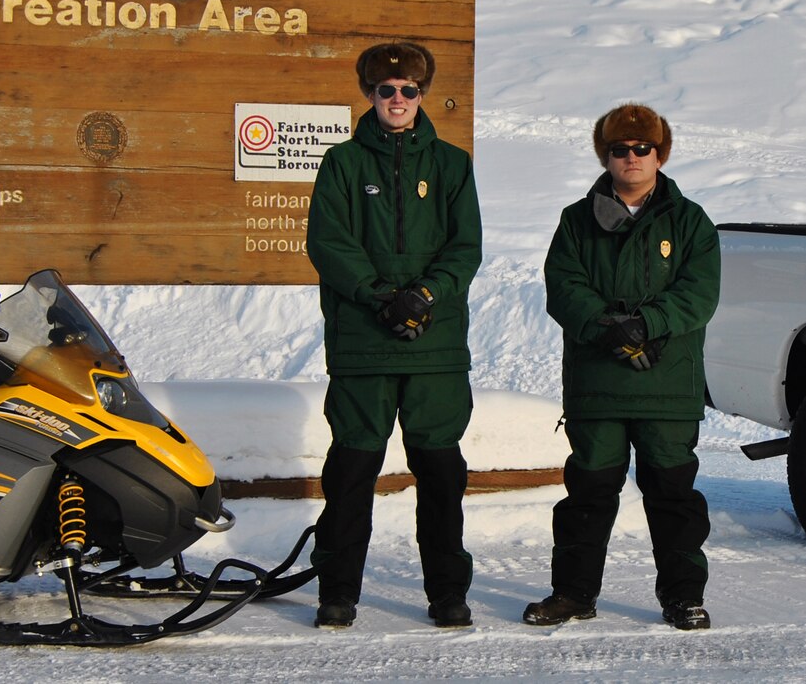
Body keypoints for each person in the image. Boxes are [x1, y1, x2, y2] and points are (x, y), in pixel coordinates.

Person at [523, 103, 721, 631]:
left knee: (674, 497)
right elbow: (563, 288)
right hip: (598, 385)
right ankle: (573, 594)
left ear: (660, 154)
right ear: (605, 156)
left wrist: (649, 324)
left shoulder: (690, 221)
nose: (631, 157)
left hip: (667, 385)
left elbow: (699, 294)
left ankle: (683, 597)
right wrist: (608, 327)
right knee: (587, 495)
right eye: (620, 149)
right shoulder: (575, 220)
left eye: (642, 148)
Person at [305, 42, 482, 629]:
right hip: (363, 344)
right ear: (370, 95)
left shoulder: (453, 165)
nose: (398, 100)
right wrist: (381, 297)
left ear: (423, 94)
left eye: (409, 90)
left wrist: (424, 296)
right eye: (387, 90)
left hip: (434, 349)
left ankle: (448, 593)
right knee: (352, 472)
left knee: (440, 473)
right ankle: (337, 591)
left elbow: (465, 248)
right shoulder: (342, 164)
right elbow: (329, 244)